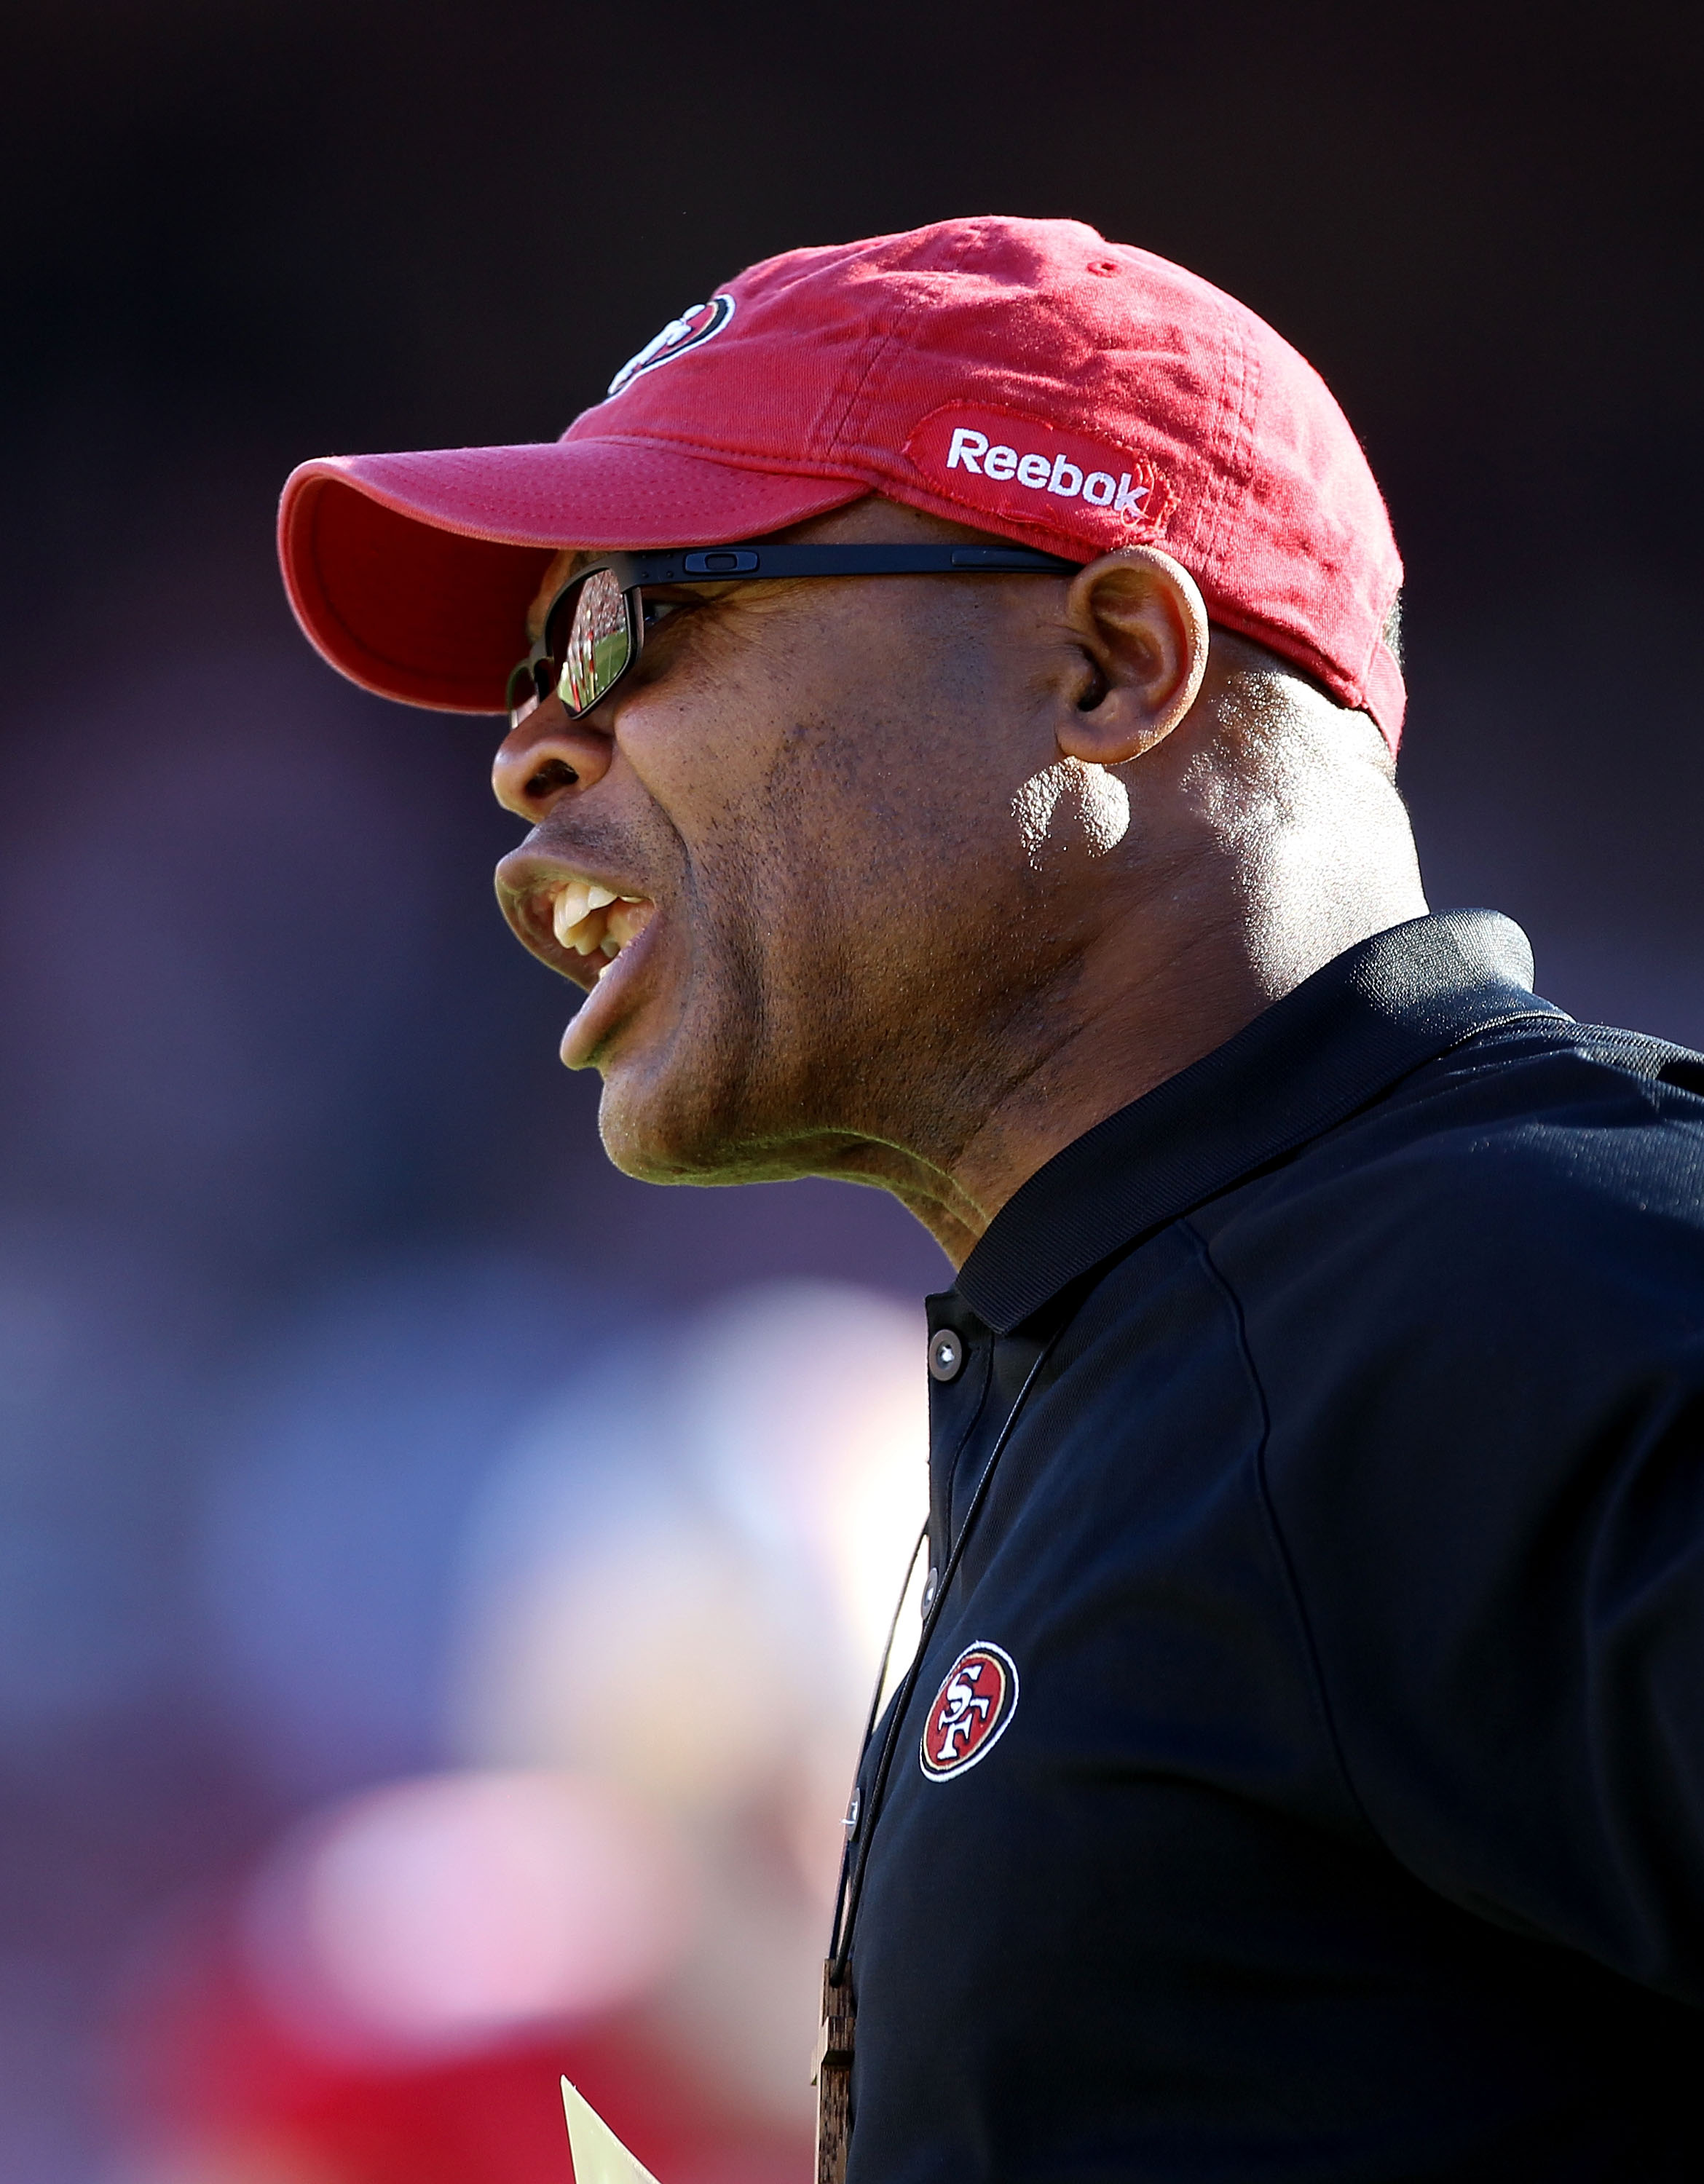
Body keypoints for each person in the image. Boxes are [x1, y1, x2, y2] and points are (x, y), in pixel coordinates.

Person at [277, 218, 1704, 2181]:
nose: (530, 750)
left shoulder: (1547, 1290)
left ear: (1111, 667)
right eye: (539, 671)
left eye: (627, 624)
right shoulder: (1153, 1346)